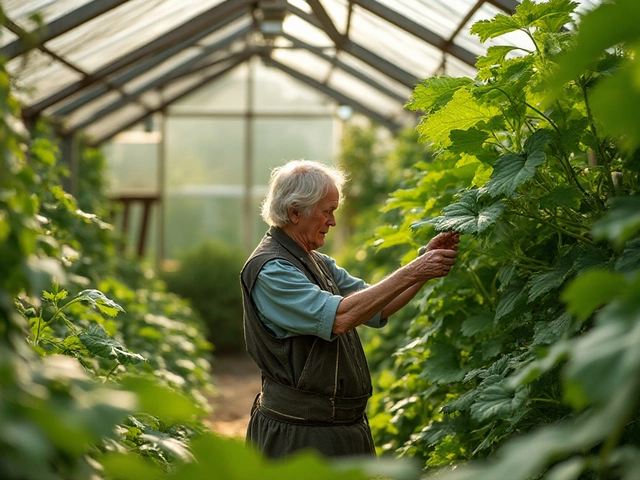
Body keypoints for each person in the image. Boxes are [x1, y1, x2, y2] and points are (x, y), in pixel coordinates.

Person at [240, 160, 459, 459]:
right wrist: (412, 271)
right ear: (294, 212)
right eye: (327, 211)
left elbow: (377, 307)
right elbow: (339, 317)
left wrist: (424, 263)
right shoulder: (272, 270)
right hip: (299, 436)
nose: (333, 221)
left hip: (339, 428)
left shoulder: (315, 261)